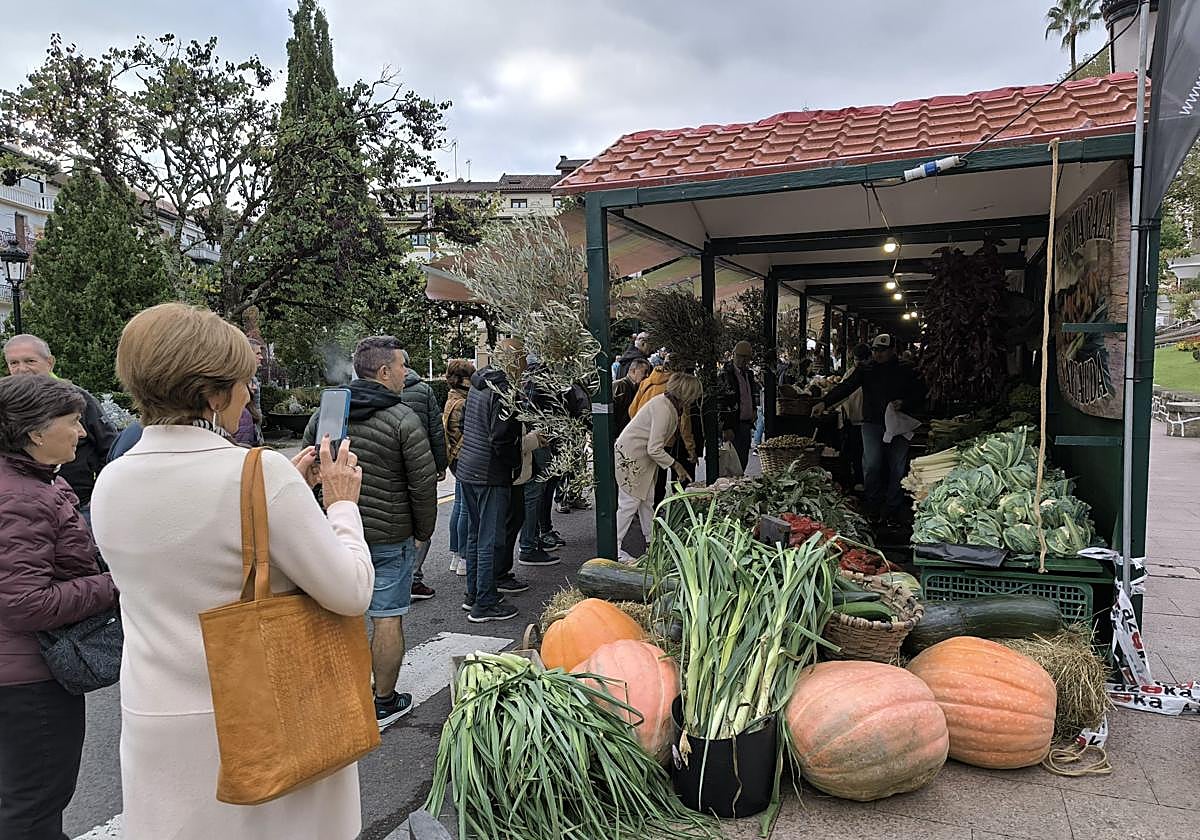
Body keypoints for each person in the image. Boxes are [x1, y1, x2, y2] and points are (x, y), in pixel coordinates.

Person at [90, 303, 374, 840]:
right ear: (211, 394)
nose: (248, 392)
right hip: (264, 712)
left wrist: (279, 492)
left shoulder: (113, 480)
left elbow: (184, 551)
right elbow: (351, 590)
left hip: (157, 716)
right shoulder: (257, 474)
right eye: (243, 381)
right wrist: (339, 504)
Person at [0, 374, 119, 840]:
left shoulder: (27, 483)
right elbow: (25, 603)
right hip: (28, 680)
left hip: (18, 673)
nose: (83, 431)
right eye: (72, 421)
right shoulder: (21, 496)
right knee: (34, 803)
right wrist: (112, 585)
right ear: (34, 432)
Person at [301, 336, 438, 729]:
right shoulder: (402, 419)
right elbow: (422, 483)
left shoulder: (326, 414)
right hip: (389, 536)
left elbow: (307, 469)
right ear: (383, 372)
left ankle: (339, 691)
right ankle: (384, 701)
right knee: (387, 618)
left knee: (338, 615)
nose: (405, 373)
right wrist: (422, 531)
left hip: (332, 534)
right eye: (400, 366)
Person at [4, 334, 118, 519]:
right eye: (13, 363)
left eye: (30, 361)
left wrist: (101, 494)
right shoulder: (7, 403)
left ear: (50, 362)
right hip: (22, 507)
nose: (21, 369)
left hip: (80, 505)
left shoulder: (75, 400)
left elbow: (110, 448)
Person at [812, 333, 925, 522]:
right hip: (872, 423)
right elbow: (847, 386)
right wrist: (825, 402)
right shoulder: (866, 369)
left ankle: (892, 508)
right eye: (875, 350)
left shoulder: (907, 369)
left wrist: (904, 403)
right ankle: (873, 504)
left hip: (899, 426)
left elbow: (921, 393)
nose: (878, 354)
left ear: (892, 350)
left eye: (882, 351)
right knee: (872, 465)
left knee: (897, 467)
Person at [456, 339, 528, 622]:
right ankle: (484, 602)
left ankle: (474, 593)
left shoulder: (477, 384)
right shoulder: (503, 390)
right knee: (489, 538)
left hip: (468, 468)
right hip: (490, 472)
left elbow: (464, 424)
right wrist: (513, 465)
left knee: (476, 535)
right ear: (515, 363)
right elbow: (501, 437)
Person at [614, 373, 703, 564]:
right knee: (629, 503)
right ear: (686, 393)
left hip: (636, 455)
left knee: (647, 499)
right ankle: (614, 548)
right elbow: (654, 448)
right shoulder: (665, 408)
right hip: (633, 457)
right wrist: (676, 465)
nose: (696, 398)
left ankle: (651, 541)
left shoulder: (666, 404)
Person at [397, 349, 449, 602]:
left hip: (392, 470)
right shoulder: (423, 390)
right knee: (422, 522)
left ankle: (393, 577)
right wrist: (441, 464)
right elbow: (436, 430)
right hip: (420, 466)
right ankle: (414, 578)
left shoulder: (371, 392)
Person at [443, 358, 475, 577]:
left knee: (458, 505)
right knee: (465, 508)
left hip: (455, 459)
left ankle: (456, 554)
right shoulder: (464, 403)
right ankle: (464, 556)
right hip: (465, 458)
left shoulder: (451, 399)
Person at [720, 340, 759, 473]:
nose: (743, 360)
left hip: (746, 424)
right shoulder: (726, 374)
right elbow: (722, 401)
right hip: (733, 425)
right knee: (733, 462)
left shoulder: (749, 374)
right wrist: (725, 426)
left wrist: (754, 409)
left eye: (746, 357)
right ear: (733, 354)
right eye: (740, 356)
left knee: (743, 460)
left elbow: (750, 394)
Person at [612, 357, 651, 438]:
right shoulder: (619, 386)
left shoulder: (638, 387)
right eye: (645, 372)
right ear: (633, 371)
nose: (647, 376)